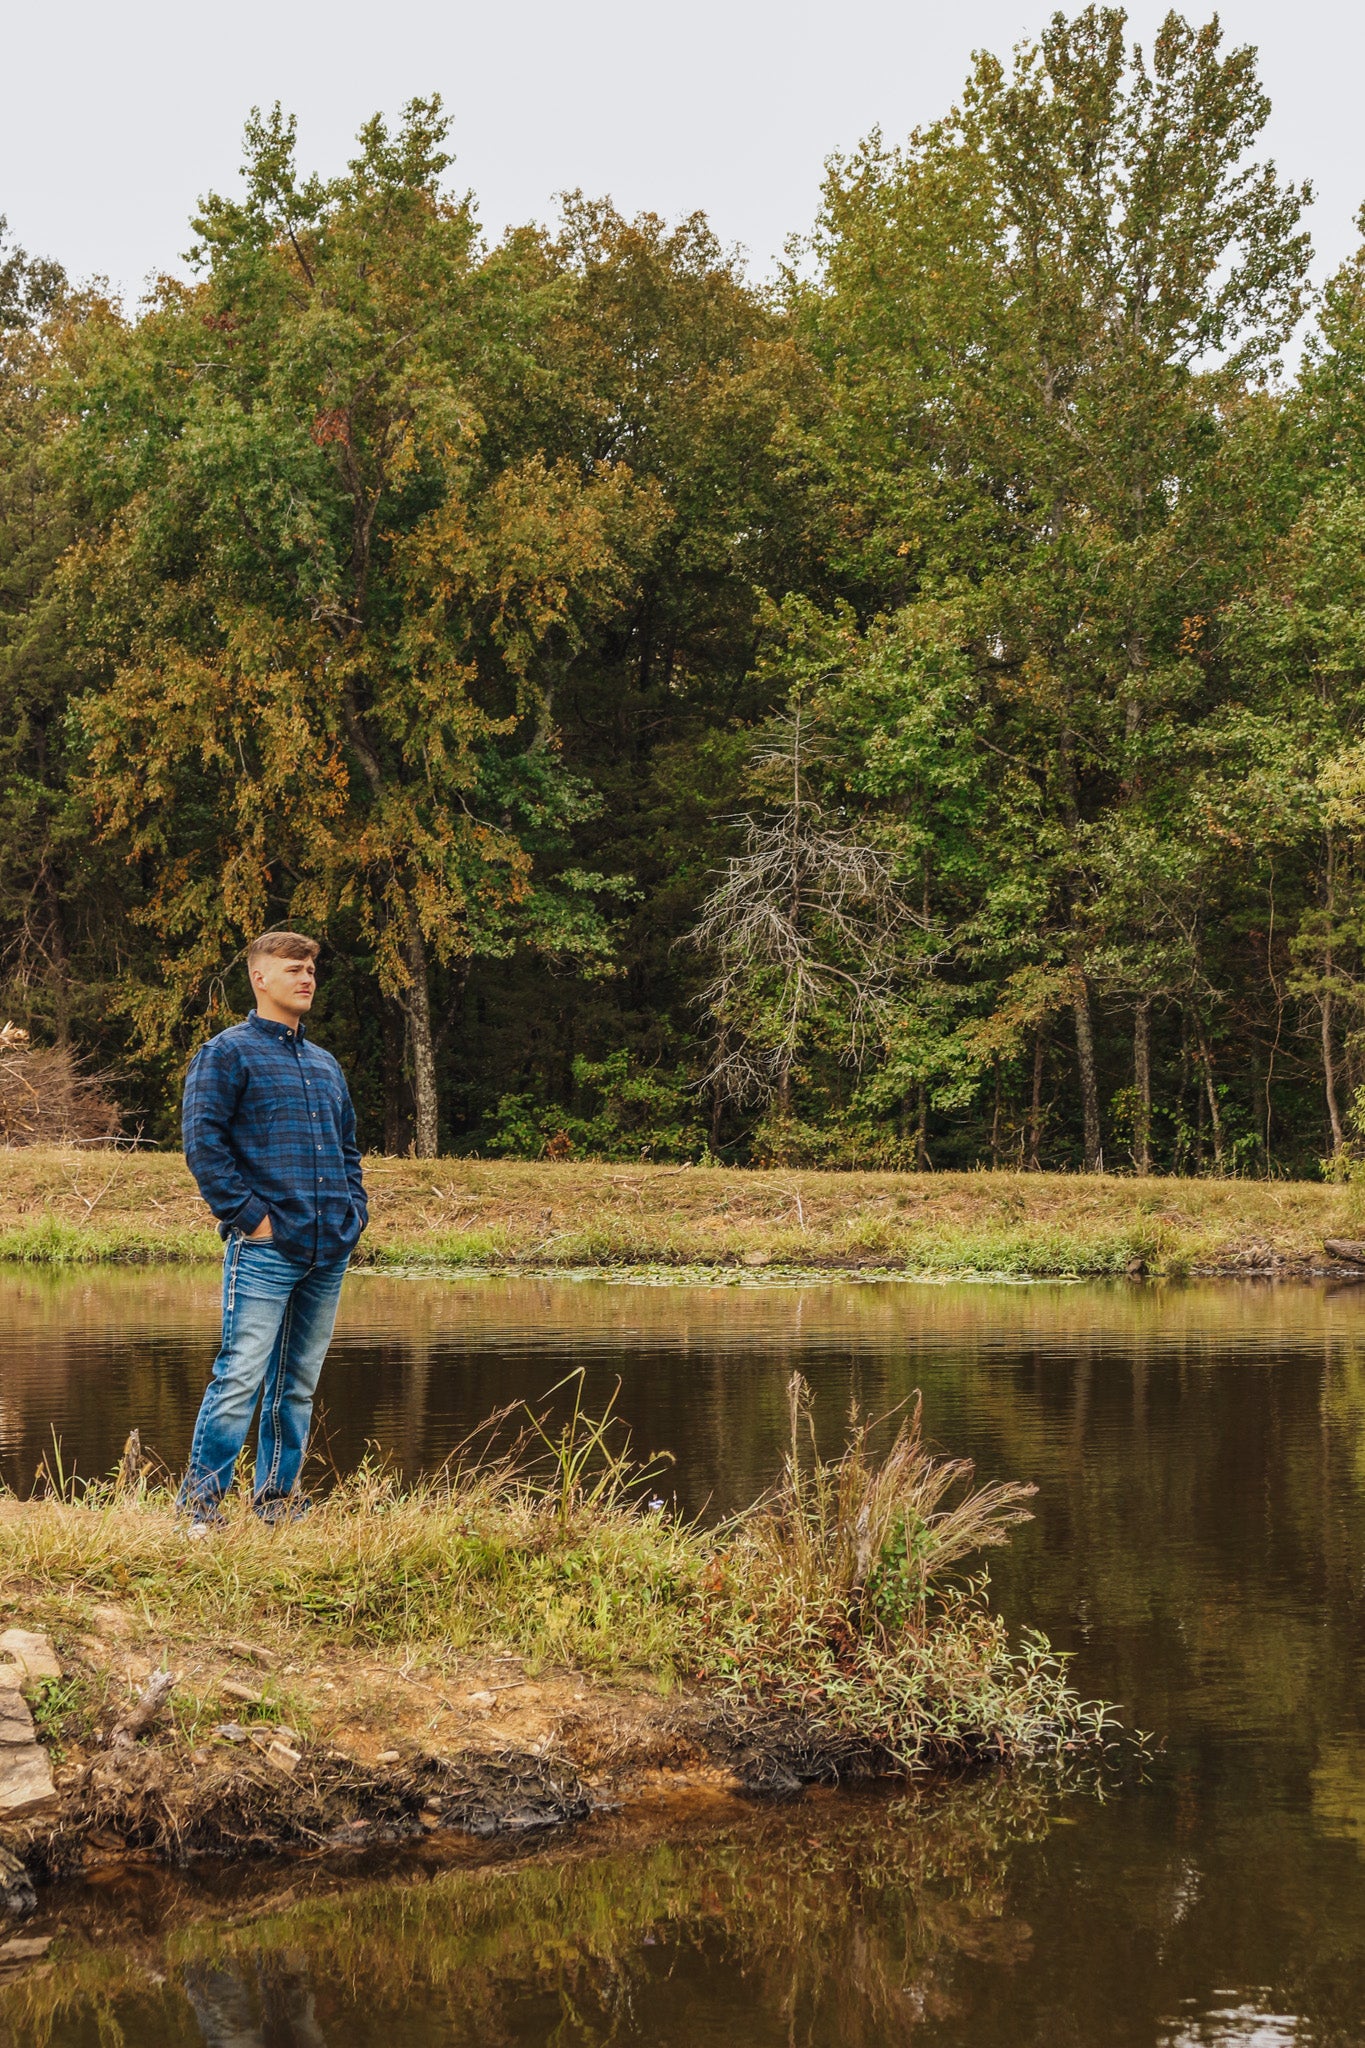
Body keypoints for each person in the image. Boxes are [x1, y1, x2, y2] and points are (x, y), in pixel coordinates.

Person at [179, 931, 367, 1534]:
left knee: (298, 1388)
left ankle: (276, 1504)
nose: (306, 977)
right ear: (260, 978)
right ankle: (200, 1511)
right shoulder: (226, 1053)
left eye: (311, 968)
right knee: (239, 1379)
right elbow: (204, 1147)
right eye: (293, 968)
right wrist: (251, 1219)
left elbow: (348, 1150)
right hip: (265, 1246)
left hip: (327, 1247)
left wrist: (353, 1212)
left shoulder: (325, 1063)